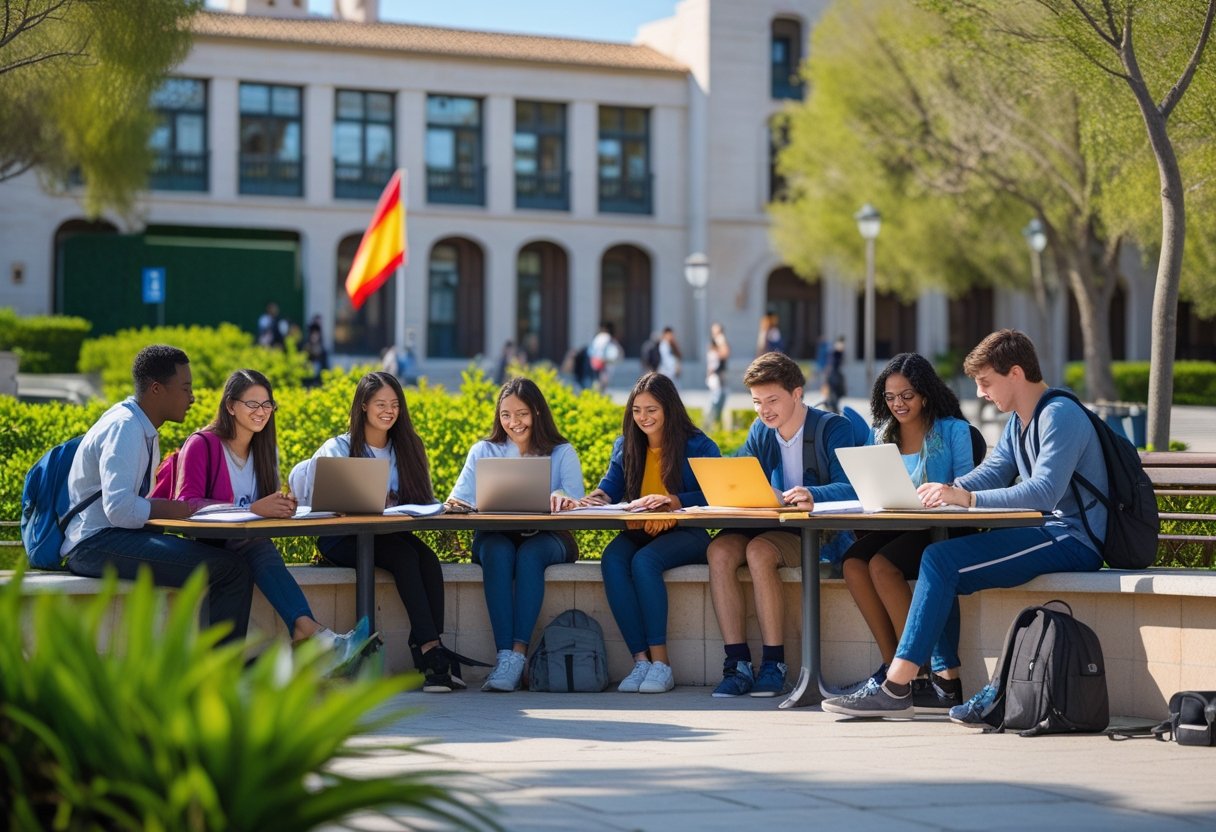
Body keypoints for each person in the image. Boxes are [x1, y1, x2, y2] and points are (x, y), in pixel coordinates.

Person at [822, 329, 1109, 719]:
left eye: (986, 383)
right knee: (939, 558)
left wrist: (967, 499)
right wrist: (947, 490)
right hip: (1046, 532)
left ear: (1016, 374)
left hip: (1072, 538)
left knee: (941, 560)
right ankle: (937, 681)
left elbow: (1044, 492)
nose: (981, 394)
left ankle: (897, 685)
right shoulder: (1021, 421)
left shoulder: (1060, 414)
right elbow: (992, 472)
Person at [152, 368, 366, 657]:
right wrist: (249, 508)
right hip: (203, 543)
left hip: (245, 543)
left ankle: (308, 630)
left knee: (256, 545)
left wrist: (282, 507)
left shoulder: (265, 450)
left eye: (267, 405)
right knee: (256, 547)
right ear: (230, 406)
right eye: (252, 404)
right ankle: (310, 632)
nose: (261, 412)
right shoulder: (202, 444)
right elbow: (187, 504)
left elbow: (259, 512)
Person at [62, 345, 253, 645]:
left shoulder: (139, 426)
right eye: (186, 388)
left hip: (110, 538)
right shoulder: (125, 428)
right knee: (231, 570)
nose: (192, 397)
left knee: (226, 559)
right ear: (155, 389)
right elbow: (120, 509)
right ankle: (222, 680)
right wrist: (173, 509)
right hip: (93, 544)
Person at [290, 371, 458, 692]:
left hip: (386, 534)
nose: (388, 410)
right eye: (380, 403)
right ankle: (430, 652)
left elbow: (419, 500)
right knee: (406, 558)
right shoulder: (338, 447)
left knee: (428, 560)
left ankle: (430, 649)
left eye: (394, 404)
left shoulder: (407, 447)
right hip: (341, 538)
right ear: (364, 406)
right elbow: (313, 498)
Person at [706, 351, 856, 698]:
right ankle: (738, 664)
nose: (763, 410)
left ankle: (774, 664)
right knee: (719, 550)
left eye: (771, 400)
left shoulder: (833, 427)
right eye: (757, 402)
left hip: (816, 529)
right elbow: (743, 473)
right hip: (771, 521)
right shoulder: (761, 430)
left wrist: (812, 494)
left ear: (797, 393)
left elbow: (851, 486)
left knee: (759, 551)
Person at [837, 353, 978, 713]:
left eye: (907, 395)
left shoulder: (953, 430)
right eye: (890, 397)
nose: (897, 404)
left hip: (942, 527)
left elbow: (968, 483)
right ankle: (892, 670)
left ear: (925, 395)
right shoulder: (880, 434)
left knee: (882, 566)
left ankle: (919, 673)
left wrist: (944, 490)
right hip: (896, 523)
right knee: (853, 562)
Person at [576, 372, 721, 694]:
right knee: (613, 559)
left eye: (652, 409)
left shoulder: (698, 445)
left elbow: (718, 494)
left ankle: (661, 664)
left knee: (644, 562)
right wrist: (591, 499)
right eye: (637, 410)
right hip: (641, 530)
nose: (643, 418)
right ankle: (640, 660)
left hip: (688, 532)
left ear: (669, 409)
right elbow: (609, 490)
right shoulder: (626, 445)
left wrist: (673, 502)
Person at [445, 378, 585, 691]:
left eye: (520, 414)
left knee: (530, 554)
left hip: (547, 536)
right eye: (506, 415)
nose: (513, 423)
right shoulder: (484, 450)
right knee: (497, 551)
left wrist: (562, 496)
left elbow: (575, 496)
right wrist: (458, 504)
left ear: (536, 412)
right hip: (495, 535)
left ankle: (518, 655)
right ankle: (505, 656)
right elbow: (460, 498)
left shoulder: (562, 452)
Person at [705, 322, 731, 431]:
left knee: (719, 400)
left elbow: (725, 353)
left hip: (719, 376)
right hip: (716, 377)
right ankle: (709, 425)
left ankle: (715, 425)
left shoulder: (720, 340)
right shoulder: (715, 343)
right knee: (715, 401)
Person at [587, 321, 623, 392]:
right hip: (604, 361)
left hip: (596, 360)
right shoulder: (606, 337)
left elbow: (591, 350)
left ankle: (599, 393)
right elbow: (615, 351)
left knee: (598, 379)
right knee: (603, 380)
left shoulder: (597, 338)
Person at [300, 316, 329, 388]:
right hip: (306, 380)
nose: (314, 336)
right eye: (313, 334)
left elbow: (325, 367)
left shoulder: (322, 350)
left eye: (316, 334)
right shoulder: (305, 348)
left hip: (318, 381)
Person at [823, 335, 846, 413]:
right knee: (834, 394)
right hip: (833, 374)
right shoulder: (834, 353)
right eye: (841, 343)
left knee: (839, 393)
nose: (842, 346)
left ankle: (829, 403)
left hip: (835, 374)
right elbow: (831, 364)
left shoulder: (839, 353)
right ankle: (830, 404)